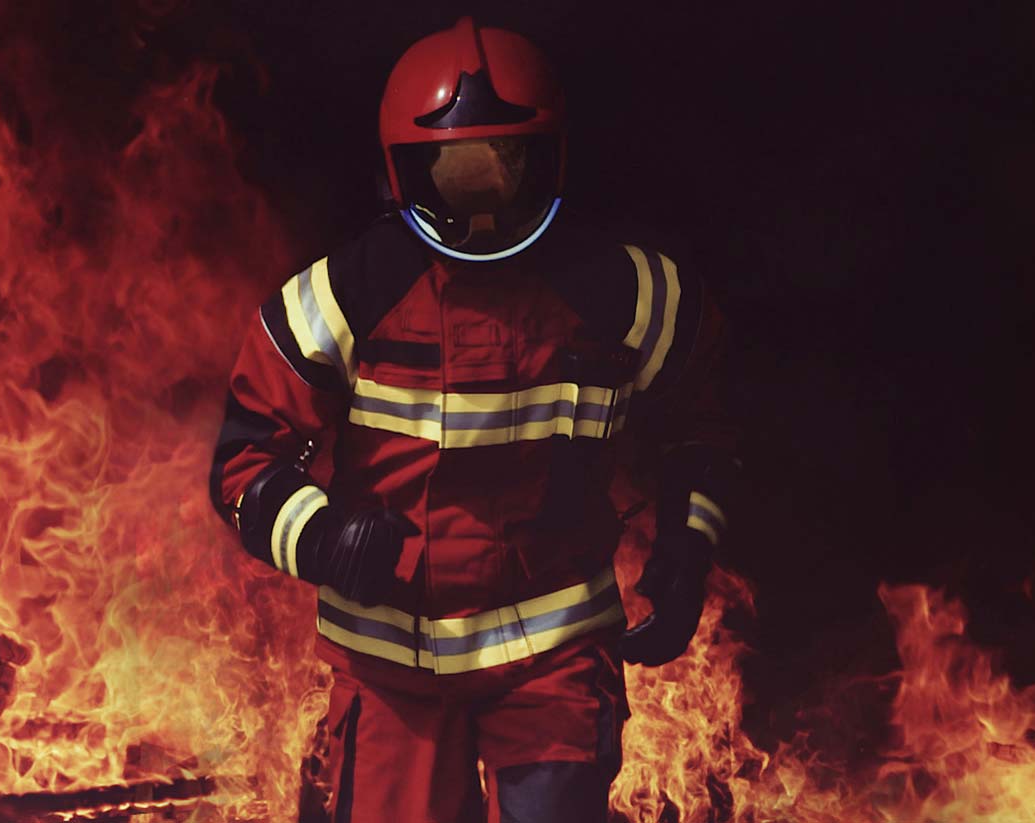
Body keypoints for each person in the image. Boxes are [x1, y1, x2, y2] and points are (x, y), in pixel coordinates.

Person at [207, 17, 738, 823]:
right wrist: (322, 539)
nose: (484, 201)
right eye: (457, 173)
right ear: (407, 171)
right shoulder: (346, 296)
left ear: (546, 157)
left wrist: (688, 544)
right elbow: (245, 466)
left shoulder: (624, 294)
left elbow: (708, 418)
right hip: (391, 669)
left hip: (553, 659)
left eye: (505, 165)